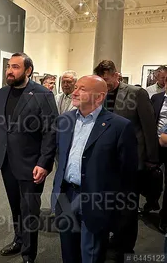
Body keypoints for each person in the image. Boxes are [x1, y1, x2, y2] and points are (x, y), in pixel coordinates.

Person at [52, 75, 138, 263]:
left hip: (96, 198)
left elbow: (127, 174)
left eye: (81, 89)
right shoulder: (64, 120)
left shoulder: (119, 126)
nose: (74, 92)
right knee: (68, 251)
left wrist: (119, 209)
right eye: (76, 87)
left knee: (90, 254)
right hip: (66, 194)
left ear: (99, 97)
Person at [0, 52, 58, 263]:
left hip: (31, 164)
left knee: (30, 211)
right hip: (6, 161)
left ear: (28, 71)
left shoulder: (43, 94)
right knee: (15, 206)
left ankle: (29, 253)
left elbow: (50, 131)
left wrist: (44, 162)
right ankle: (18, 240)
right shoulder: (1, 94)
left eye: (15, 67)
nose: (10, 70)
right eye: (9, 66)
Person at [94, 60, 159, 258]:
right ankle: (111, 239)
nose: (105, 84)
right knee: (107, 204)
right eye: (101, 80)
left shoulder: (136, 93)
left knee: (127, 208)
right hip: (105, 162)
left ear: (116, 75)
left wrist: (152, 158)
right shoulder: (98, 94)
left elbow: (148, 127)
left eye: (107, 79)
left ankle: (126, 249)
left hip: (130, 160)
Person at [151, 82, 167, 232]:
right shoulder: (156, 98)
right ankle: (151, 202)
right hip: (155, 144)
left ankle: (164, 217)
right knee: (151, 175)